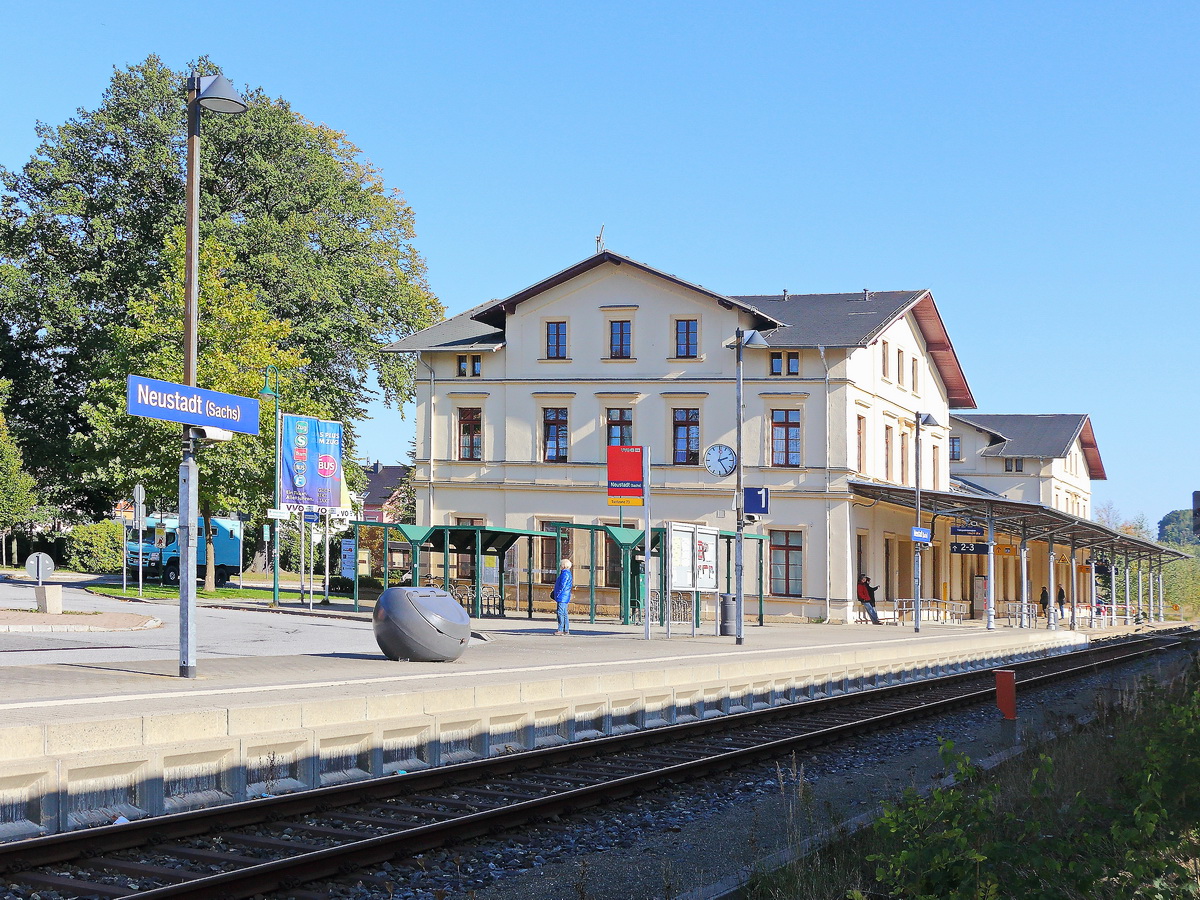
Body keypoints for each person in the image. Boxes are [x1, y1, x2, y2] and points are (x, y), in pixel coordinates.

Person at [551, 558, 573, 635]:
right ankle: (566, 630)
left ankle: (560, 629)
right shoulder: (567, 573)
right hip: (564, 595)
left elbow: (562, 585)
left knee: (560, 613)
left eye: (561, 564)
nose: (560, 566)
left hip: (562, 596)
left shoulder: (565, 574)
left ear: (563, 565)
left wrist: (557, 593)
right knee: (564, 613)